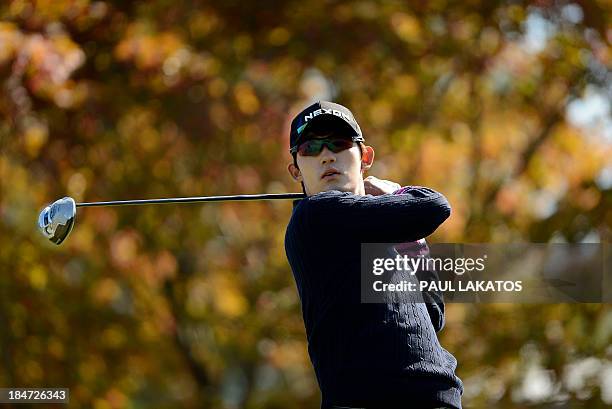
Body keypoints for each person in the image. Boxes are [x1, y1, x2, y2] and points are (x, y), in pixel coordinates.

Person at [284, 101, 464, 409]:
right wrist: (396, 195)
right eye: (310, 148)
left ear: (365, 157)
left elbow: (433, 317)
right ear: (296, 170)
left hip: (436, 397)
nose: (326, 155)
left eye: (338, 144)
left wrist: (412, 241)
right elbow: (435, 206)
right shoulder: (313, 216)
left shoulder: (385, 228)